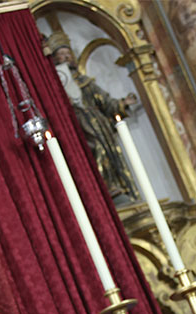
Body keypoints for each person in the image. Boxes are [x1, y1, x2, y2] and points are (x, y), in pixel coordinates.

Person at [45, 30, 139, 205]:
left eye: (68, 53)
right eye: (62, 54)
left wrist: (122, 103)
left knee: (110, 153)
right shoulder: (56, 86)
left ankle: (118, 186)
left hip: (99, 125)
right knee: (96, 150)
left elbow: (104, 100)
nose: (66, 57)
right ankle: (106, 189)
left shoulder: (85, 82)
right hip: (79, 126)